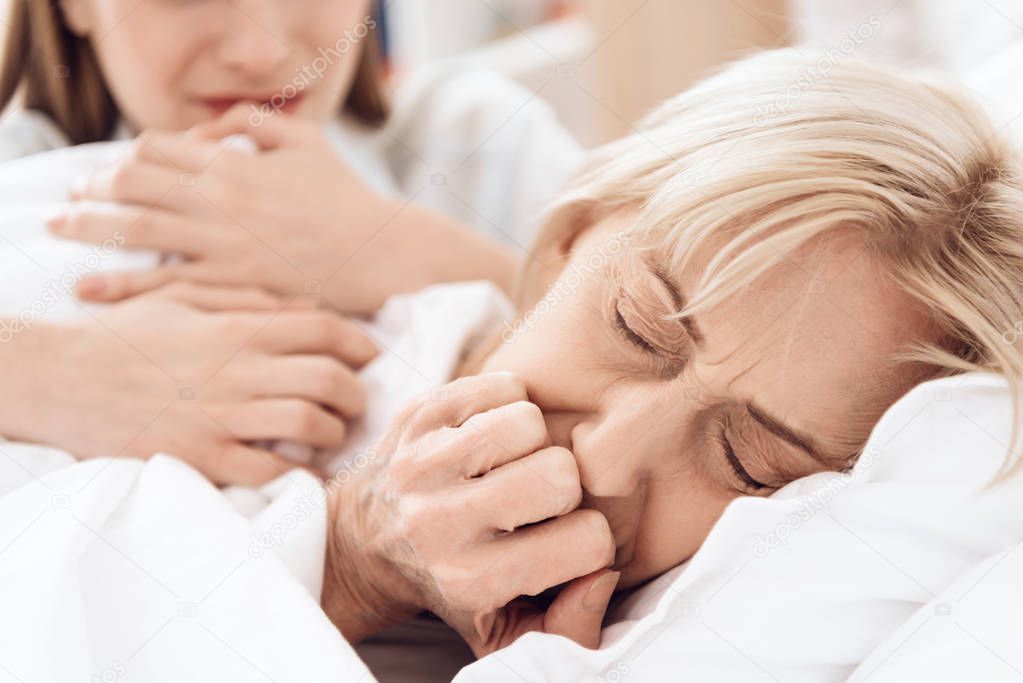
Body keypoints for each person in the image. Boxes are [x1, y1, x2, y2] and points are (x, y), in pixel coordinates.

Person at [292, 50, 1023, 659]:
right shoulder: (264, 385)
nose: (601, 462)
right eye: (635, 327)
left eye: (745, 463)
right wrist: (350, 565)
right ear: (565, 240)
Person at [0, 0, 581, 483]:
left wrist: (403, 248)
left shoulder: (480, 144)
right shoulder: (22, 188)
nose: (261, 51)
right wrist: (53, 373)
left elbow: (664, 353)